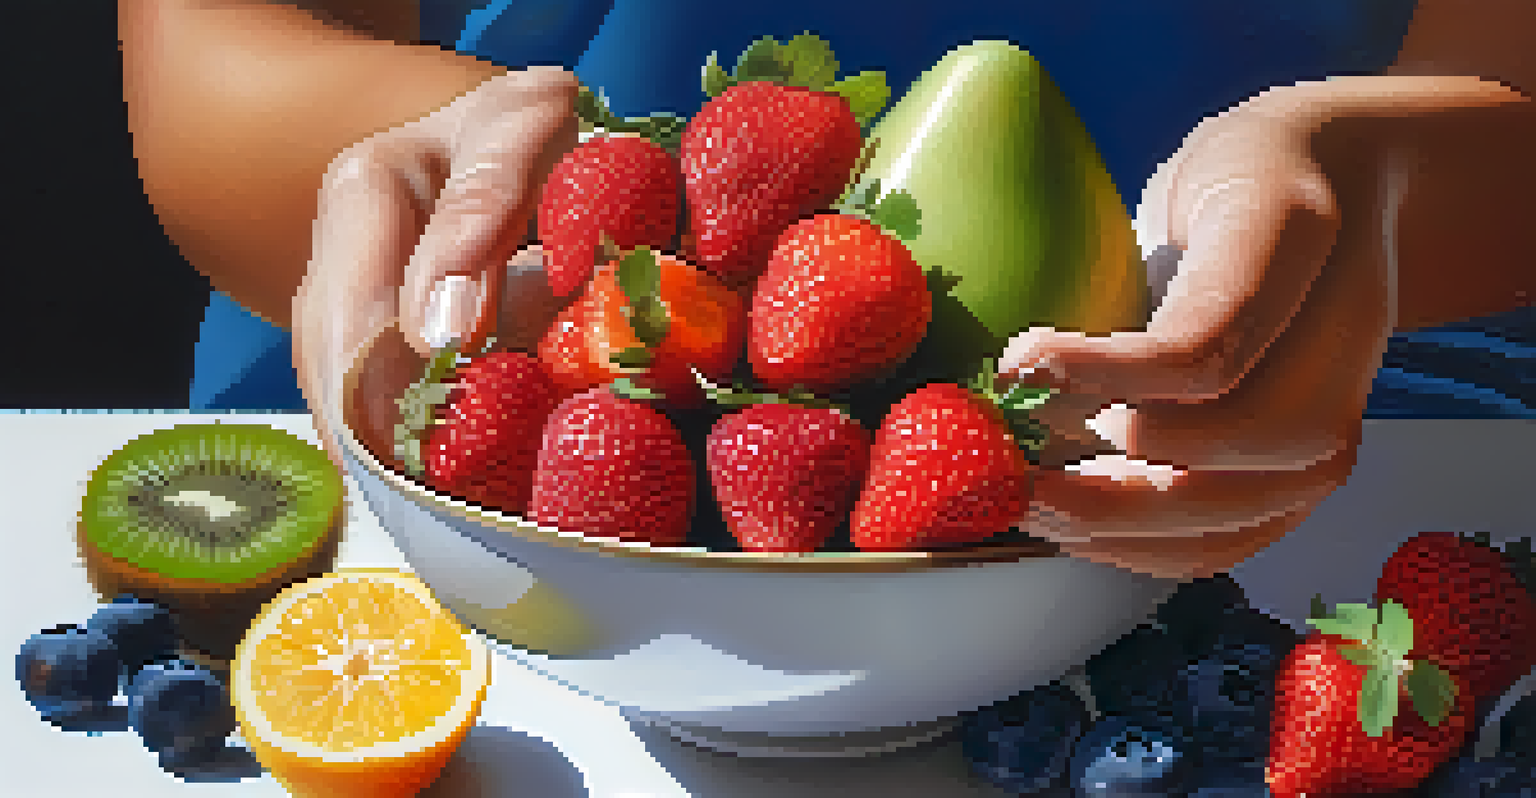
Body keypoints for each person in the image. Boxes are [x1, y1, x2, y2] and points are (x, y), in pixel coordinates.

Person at [119, 0, 1534, 579]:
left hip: (1255, 456)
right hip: (504, 439)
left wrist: (1390, 180)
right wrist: (476, 189)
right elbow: (217, 48)